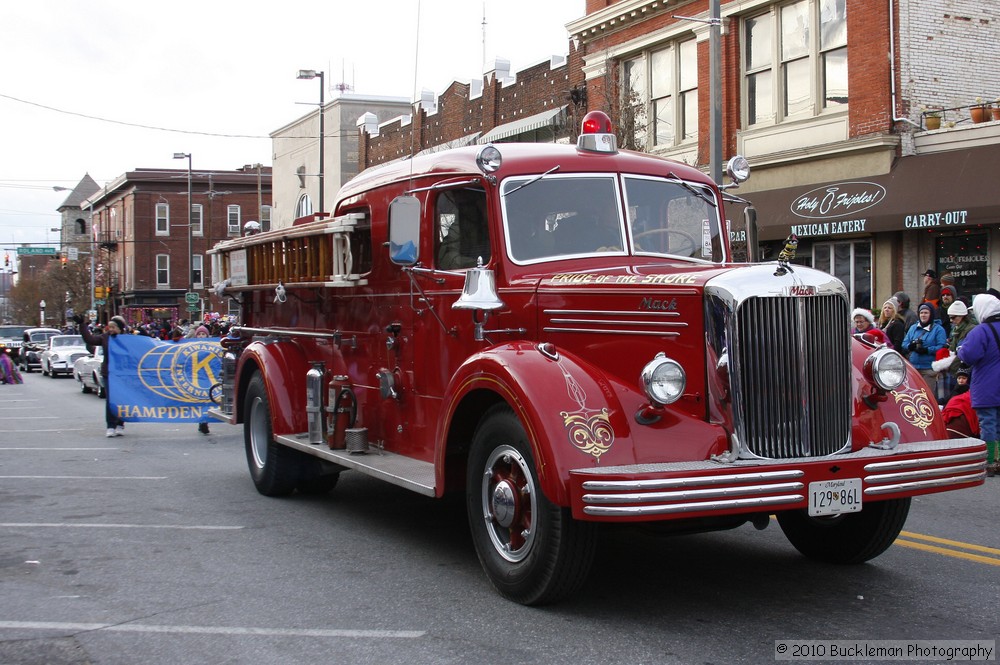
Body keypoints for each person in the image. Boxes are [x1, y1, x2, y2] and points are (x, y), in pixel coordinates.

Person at [957, 293, 1000, 477]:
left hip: (987, 386)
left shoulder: (981, 331)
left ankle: (990, 462)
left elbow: (969, 356)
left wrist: (960, 350)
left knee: (988, 424)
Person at [77, 314, 127, 437]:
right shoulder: (105, 338)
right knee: (111, 400)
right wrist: (82, 325)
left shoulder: (128, 339)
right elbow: (90, 339)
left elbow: (146, 345)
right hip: (109, 373)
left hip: (123, 373)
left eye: (114, 327)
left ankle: (120, 423)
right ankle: (110, 426)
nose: (111, 329)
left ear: (120, 328)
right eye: (109, 327)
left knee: (123, 399)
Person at [900, 302, 947, 396]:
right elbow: (904, 343)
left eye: (926, 313)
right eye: (921, 313)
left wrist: (927, 350)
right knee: (913, 395)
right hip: (914, 368)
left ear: (931, 314)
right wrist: (910, 346)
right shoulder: (913, 328)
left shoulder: (938, 329)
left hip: (929, 369)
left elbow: (942, 347)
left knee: (927, 396)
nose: (923, 315)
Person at [941, 366, 978, 440]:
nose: (961, 380)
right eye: (959, 378)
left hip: (949, 432)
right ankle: (992, 451)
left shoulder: (957, 397)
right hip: (962, 433)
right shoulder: (956, 393)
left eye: (964, 378)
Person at [193, 325, 212, 435]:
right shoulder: (191, 345)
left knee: (206, 401)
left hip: (208, 378)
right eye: (199, 334)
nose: (201, 336)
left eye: (203, 334)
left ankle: (204, 421)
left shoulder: (212, 345)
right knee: (199, 401)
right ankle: (202, 422)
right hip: (196, 378)